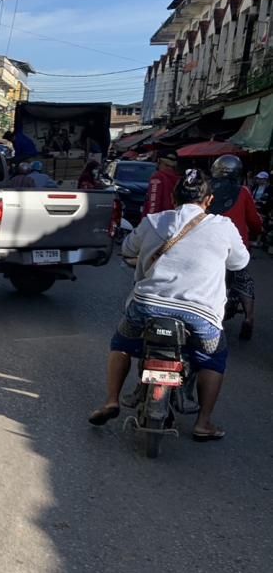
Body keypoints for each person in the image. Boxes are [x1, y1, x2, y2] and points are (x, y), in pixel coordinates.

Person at [88, 169, 249, 441]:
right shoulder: (224, 226)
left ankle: (112, 400)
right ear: (209, 200)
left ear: (174, 198)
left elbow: (127, 249)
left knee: (122, 345)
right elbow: (240, 263)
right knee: (214, 359)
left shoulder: (154, 221)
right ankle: (203, 423)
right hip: (201, 315)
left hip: (146, 307)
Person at [208, 154, 262, 340]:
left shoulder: (207, 189)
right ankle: (249, 317)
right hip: (237, 247)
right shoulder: (243, 192)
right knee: (243, 279)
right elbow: (254, 220)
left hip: (210, 245)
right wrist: (256, 232)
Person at [141, 151, 180, 219]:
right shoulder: (179, 179)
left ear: (160, 161)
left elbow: (153, 203)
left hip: (159, 220)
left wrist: (149, 219)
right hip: (174, 218)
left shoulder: (158, 177)